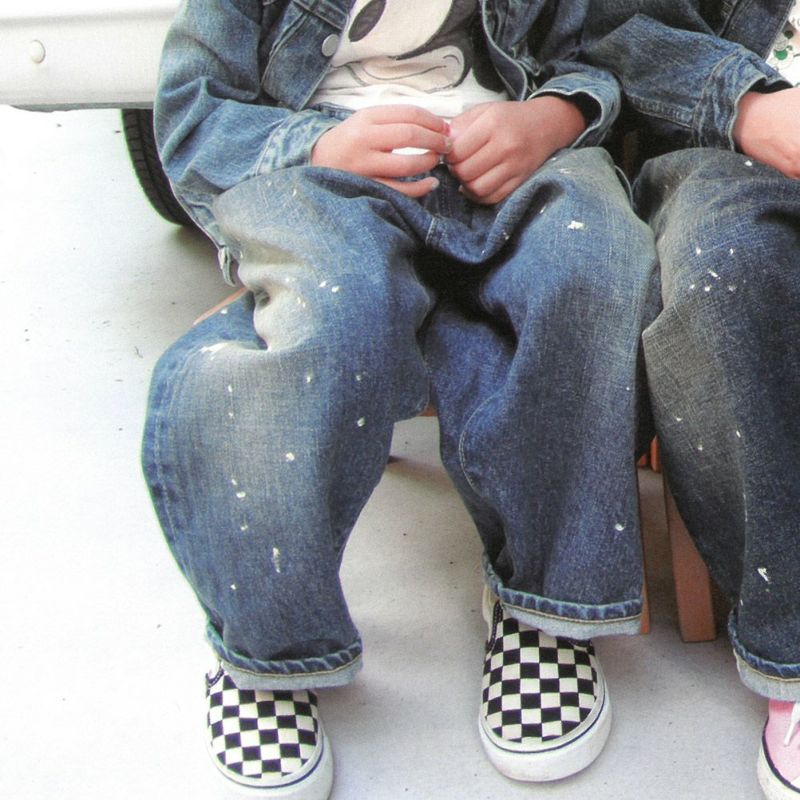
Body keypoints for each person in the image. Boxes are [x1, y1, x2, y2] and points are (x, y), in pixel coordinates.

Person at [141, 1, 659, 796]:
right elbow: (191, 118)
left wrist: (550, 120)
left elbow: (591, 58)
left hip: (511, 156)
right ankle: (263, 651)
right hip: (324, 170)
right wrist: (316, 145)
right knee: (334, 313)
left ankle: (544, 607)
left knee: (591, 270)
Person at [582, 2, 800, 797]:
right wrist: (747, 104)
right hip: (724, 150)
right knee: (727, 272)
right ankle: (792, 647)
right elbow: (610, 31)